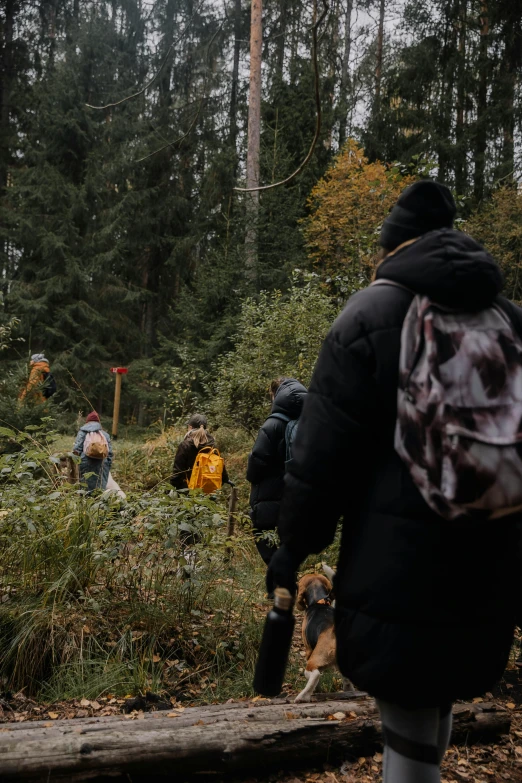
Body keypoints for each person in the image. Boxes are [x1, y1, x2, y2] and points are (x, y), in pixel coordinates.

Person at [267, 180, 522, 783]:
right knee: (433, 706)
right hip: (492, 561)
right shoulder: (509, 318)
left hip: (399, 565)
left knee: (407, 731)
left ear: (391, 250)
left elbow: (320, 457)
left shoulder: (370, 315)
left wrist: (291, 547)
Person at [247, 378, 307, 565]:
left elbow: (257, 459)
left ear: (276, 395)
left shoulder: (272, 425)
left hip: (269, 491)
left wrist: (252, 477)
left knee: (262, 532)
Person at [170, 414, 230, 490]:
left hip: (188, 490)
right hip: (208, 489)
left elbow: (178, 472)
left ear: (190, 427)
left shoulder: (185, 445)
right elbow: (219, 465)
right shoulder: (212, 445)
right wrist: (226, 479)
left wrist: (170, 489)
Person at [72, 411, 113, 492]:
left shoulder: (82, 432)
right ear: (98, 422)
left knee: (85, 487)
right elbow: (110, 453)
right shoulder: (105, 434)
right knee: (100, 487)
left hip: (86, 463)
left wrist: (78, 463)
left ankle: (85, 503)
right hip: (102, 464)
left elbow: (77, 450)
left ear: (87, 421)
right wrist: (107, 464)